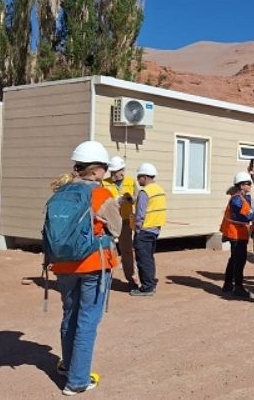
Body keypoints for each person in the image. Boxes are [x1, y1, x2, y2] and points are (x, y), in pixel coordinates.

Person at [49, 141, 121, 395]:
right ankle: (78, 380)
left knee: (70, 314)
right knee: (87, 320)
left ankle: (68, 366)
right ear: (97, 170)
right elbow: (117, 228)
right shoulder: (102, 194)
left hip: (63, 264)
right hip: (95, 264)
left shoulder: (60, 192)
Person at [101, 156, 138, 289]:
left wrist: (130, 198)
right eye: (116, 171)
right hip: (109, 221)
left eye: (121, 170)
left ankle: (131, 278)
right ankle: (104, 278)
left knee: (127, 251)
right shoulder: (104, 183)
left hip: (125, 221)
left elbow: (137, 198)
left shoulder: (130, 181)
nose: (120, 173)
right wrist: (115, 201)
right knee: (107, 249)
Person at [131, 163, 166, 297]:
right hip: (155, 230)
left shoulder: (145, 192)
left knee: (143, 260)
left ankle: (147, 287)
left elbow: (140, 213)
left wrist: (137, 229)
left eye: (139, 177)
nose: (138, 180)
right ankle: (149, 283)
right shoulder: (159, 190)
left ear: (144, 177)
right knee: (149, 258)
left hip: (144, 230)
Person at [220, 171, 254, 298]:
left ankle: (228, 284)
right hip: (236, 234)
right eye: (248, 183)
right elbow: (243, 215)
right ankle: (238, 287)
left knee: (234, 259)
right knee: (239, 261)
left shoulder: (242, 198)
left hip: (239, 233)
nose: (250, 185)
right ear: (241, 185)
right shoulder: (236, 200)